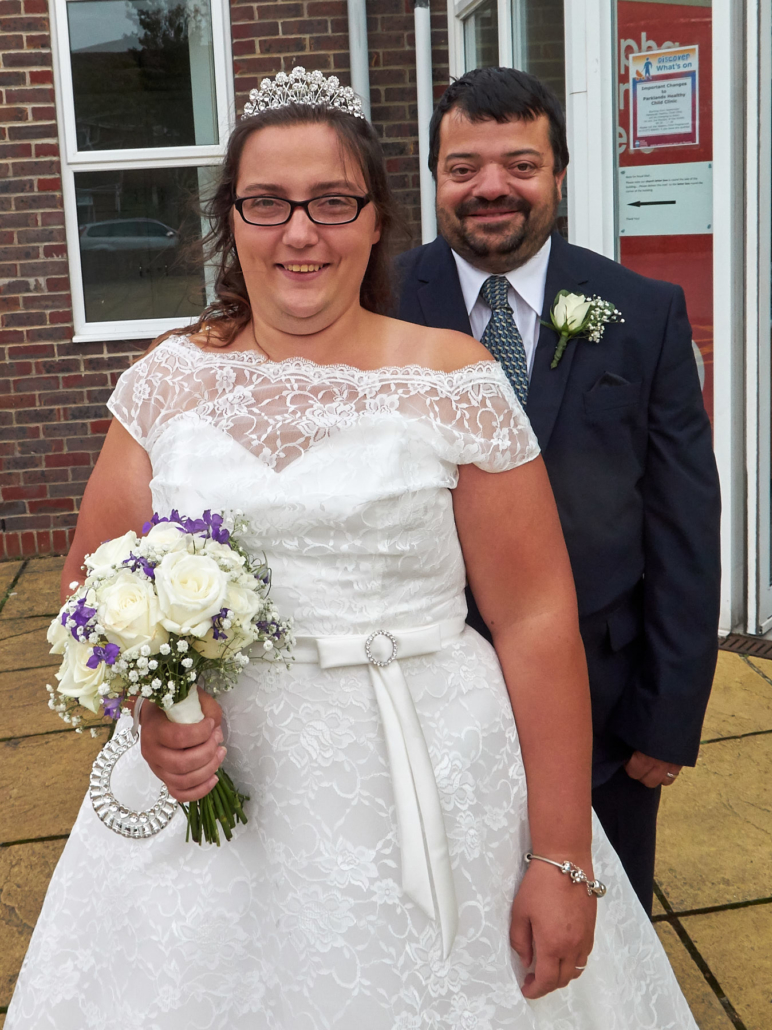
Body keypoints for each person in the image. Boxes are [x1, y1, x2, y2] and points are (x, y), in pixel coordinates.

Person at [8, 68, 697, 1029]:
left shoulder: (455, 379)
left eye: (332, 201)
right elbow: (92, 588)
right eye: (267, 202)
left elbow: (536, 621)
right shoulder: (166, 381)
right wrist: (153, 711)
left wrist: (560, 855)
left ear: (375, 221)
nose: (300, 232)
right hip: (222, 804)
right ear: (231, 219)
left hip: (433, 779)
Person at [396, 66, 721, 914]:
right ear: (433, 178)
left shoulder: (643, 310)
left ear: (560, 176)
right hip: (415, 705)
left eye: (520, 165)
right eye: (463, 168)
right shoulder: (377, 306)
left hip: (605, 710)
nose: (490, 187)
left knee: (603, 931)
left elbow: (683, 523)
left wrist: (668, 714)